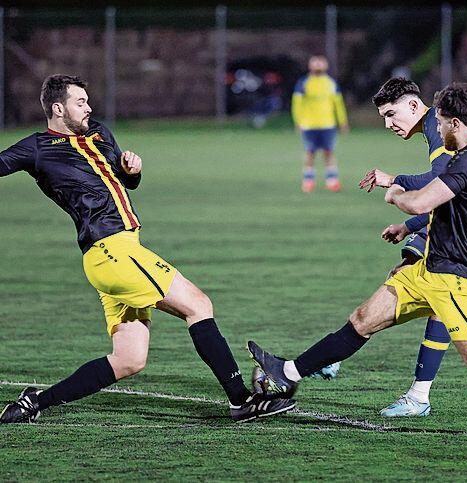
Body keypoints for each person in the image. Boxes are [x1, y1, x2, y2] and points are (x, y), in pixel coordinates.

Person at [0, 74, 295, 424]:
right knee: (198, 305)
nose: (89, 107)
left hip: (119, 251)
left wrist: (131, 171)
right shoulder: (36, 147)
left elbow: (124, 182)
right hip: (111, 250)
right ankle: (240, 400)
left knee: (129, 360)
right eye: (81, 102)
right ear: (58, 108)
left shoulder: (99, 132)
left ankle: (34, 401)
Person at [248, 83, 467, 412]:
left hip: (455, 280)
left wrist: (395, 190)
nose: (434, 127)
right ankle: (287, 372)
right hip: (427, 270)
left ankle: (419, 396)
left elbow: (420, 202)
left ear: (454, 123)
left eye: (438, 121)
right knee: (363, 318)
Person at [355, 78, 467, 417]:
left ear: (415, 106)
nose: (388, 124)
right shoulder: (436, 126)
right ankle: (340, 354)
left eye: (391, 114)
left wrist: (395, 181)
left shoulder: (436, 125)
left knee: (441, 290)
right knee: (413, 275)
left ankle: (418, 394)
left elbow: (439, 183)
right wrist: (408, 226)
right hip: (463, 213)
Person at [292, 55, 349, 193]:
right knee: (310, 153)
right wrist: (297, 121)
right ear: (310, 65)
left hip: (327, 124)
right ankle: (308, 181)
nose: (318, 64)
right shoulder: (303, 83)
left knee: (328, 152)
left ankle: (332, 181)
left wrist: (343, 121)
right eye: (315, 62)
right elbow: (296, 103)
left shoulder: (331, 83)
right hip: (309, 125)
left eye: (320, 62)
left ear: (326, 65)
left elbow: (338, 103)